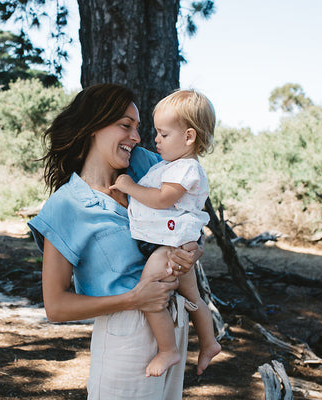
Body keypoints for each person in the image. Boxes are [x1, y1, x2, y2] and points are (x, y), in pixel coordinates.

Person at [27, 83, 203, 400]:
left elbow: (187, 220)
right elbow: (55, 306)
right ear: (93, 126)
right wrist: (134, 299)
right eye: (125, 125)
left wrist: (192, 251)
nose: (136, 137)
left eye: (137, 127)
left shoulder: (148, 167)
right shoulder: (67, 206)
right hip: (126, 336)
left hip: (176, 327)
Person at [110, 89, 221, 377]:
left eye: (163, 134)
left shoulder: (186, 169)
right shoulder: (170, 165)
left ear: (188, 137)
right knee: (193, 296)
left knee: (149, 290)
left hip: (169, 247)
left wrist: (129, 186)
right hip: (173, 241)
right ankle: (209, 343)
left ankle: (168, 349)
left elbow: (162, 199)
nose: (155, 139)